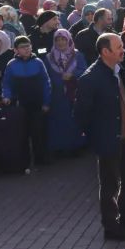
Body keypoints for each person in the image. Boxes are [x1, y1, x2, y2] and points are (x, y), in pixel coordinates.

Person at [75, 33, 125, 241]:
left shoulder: (119, 70)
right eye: (118, 47)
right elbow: (81, 114)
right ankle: (111, 226)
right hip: (108, 138)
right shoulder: (90, 79)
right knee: (110, 184)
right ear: (105, 52)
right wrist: (95, 138)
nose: (123, 50)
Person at [1, 35, 52, 167]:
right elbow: (6, 83)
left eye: (28, 46)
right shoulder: (12, 65)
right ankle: (23, 161)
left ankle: (40, 159)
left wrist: (46, 102)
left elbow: (46, 83)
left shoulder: (38, 62)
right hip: (20, 104)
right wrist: (6, 96)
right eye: (22, 47)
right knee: (21, 133)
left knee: (38, 132)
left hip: (37, 103)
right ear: (16, 50)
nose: (26, 49)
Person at [44, 29, 87, 157]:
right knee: (58, 120)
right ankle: (59, 148)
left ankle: (76, 147)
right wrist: (58, 80)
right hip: (57, 94)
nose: (61, 42)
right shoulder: (48, 57)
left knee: (74, 119)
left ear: (69, 40)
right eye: (57, 40)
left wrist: (73, 75)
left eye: (63, 39)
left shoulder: (77, 55)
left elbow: (84, 70)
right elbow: (45, 74)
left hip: (73, 92)